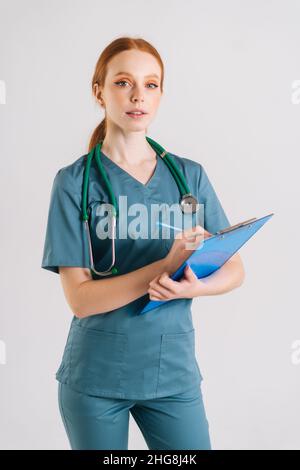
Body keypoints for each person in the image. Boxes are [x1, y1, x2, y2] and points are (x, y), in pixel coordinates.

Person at [41, 36, 245, 450]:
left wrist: (197, 287)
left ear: (161, 94)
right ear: (99, 91)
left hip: (172, 374)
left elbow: (234, 268)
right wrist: (163, 266)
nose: (138, 96)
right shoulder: (75, 182)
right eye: (122, 82)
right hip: (96, 378)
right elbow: (80, 300)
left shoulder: (189, 176)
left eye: (151, 84)